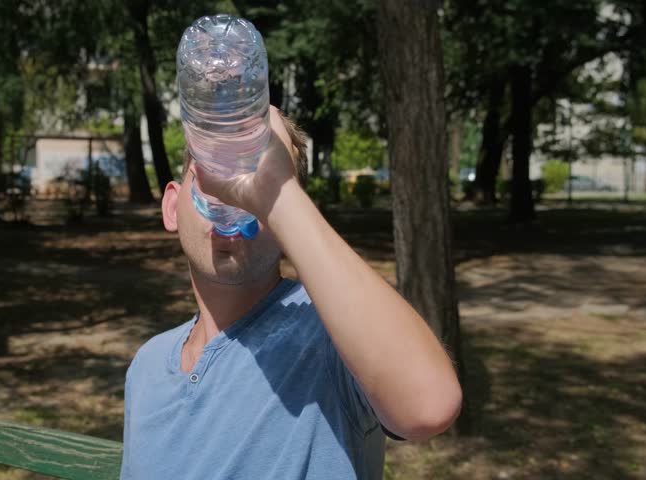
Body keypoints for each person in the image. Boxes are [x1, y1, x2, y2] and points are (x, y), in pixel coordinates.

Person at [119, 106, 462, 479]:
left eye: (254, 177)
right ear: (172, 206)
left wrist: (278, 195)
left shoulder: (332, 336)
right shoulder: (147, 366)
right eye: (212, 172)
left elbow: (429, 405)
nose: (233, 200)